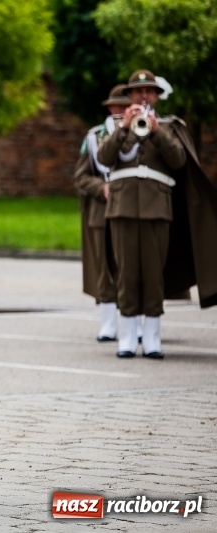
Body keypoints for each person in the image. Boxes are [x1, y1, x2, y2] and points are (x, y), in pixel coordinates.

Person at [97, 69, 217, 359]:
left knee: (153, 275)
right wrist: (125, 128)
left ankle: (152, 339)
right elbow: (103, 158)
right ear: (129, 97)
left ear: (157, 96)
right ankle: (126, 338)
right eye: (138, 92)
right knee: (127, 274)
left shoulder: (169, 126)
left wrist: (156, 132)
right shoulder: (114, 126)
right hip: (123, 208)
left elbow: (178, 160)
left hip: (157, 209)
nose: (144, 96)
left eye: (149, 91)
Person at [73, 84, 129, 342]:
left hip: (131, 209)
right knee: (105, 267)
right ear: (110, 107)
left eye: (127, 105)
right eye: (119, 105)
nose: (123, 109)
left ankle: (135, 322)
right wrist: (101, 187)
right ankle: (108, 322)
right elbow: (81, 176)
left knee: (130, 265)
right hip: (102, 211)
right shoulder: (94, 136)